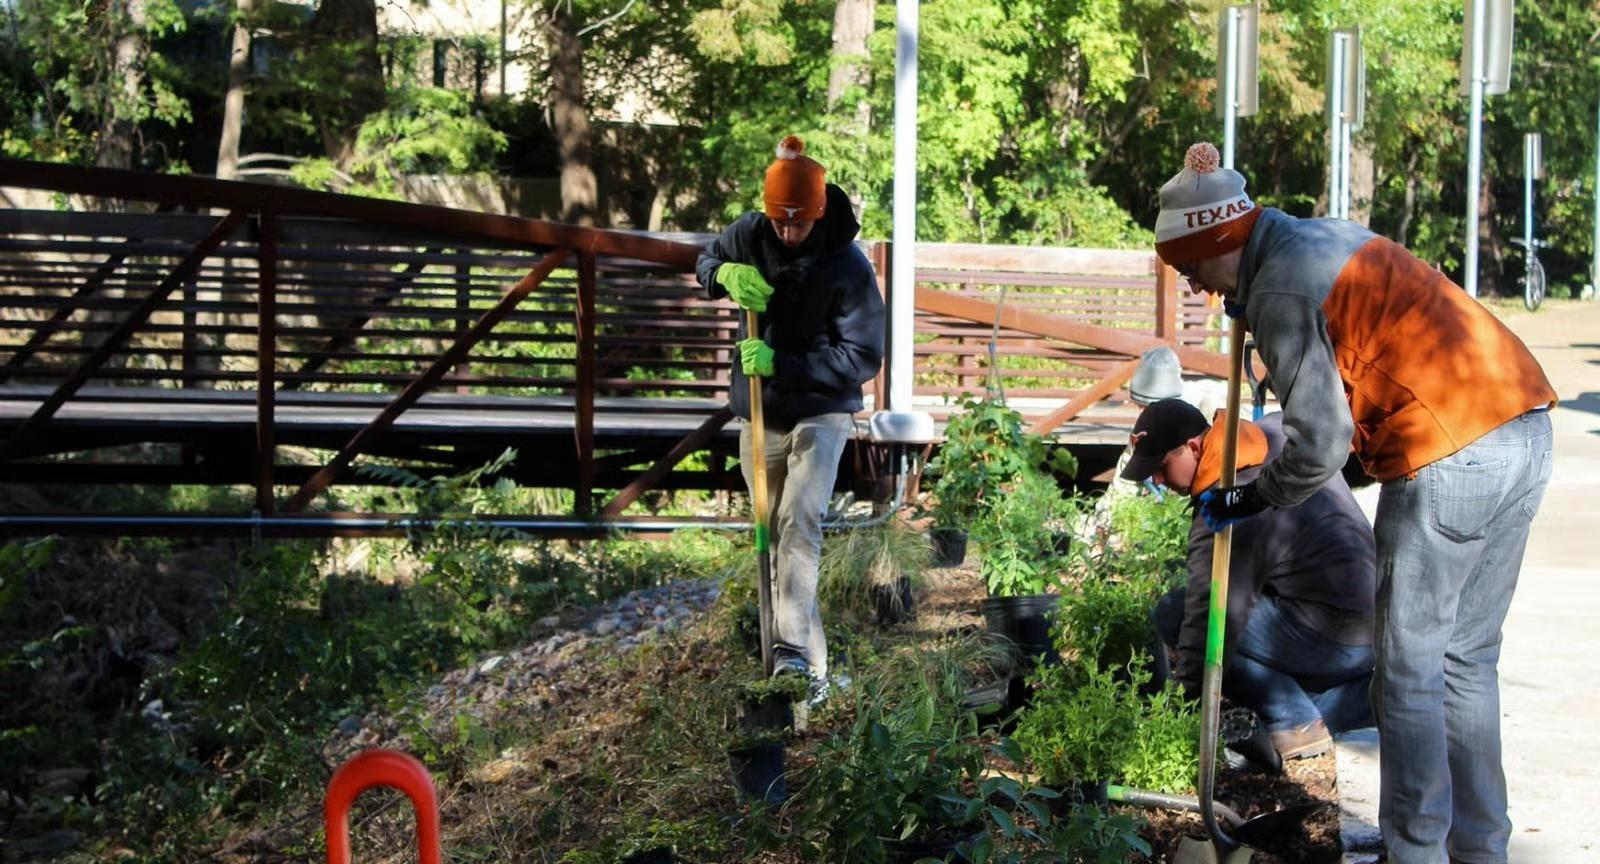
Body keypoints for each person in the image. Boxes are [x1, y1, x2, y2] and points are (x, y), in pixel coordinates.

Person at [1155, 141, 1556, 863]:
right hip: (1521, 424)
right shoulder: (1320, 237)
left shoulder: (1278, 288)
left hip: (1449, 446)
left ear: (1219, 241)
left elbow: (1319, 442)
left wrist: (1255, 499)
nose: (1195, 290)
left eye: (1191, 271)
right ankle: (1479, 851)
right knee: (1464, 662)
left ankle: (1415, 853)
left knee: (1407, 673)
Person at [695, 134, 885, 688]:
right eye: (779, 222)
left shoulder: (847, 266)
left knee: (799, 522)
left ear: (818, 214)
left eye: (796, 224)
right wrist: (722, 275)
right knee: (773, 534)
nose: (786, 233)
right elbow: (704, 257)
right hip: (761, 412)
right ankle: (813, 673)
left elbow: (862, 357)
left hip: (821, 411)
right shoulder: (751, 234)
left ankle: (790, 654)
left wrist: (781, 362)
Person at [1123, 399, 1376, 765]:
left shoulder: (1228, 504)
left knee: (1176, 612)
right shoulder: (1275, 432)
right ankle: (1361, 700)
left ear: (1194, 447)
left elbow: (1211, 617)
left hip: (1332, 636)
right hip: (1373, 626)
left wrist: (1181, 707)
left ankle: (1294, 721)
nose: (1157, 481)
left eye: (1161, 467)